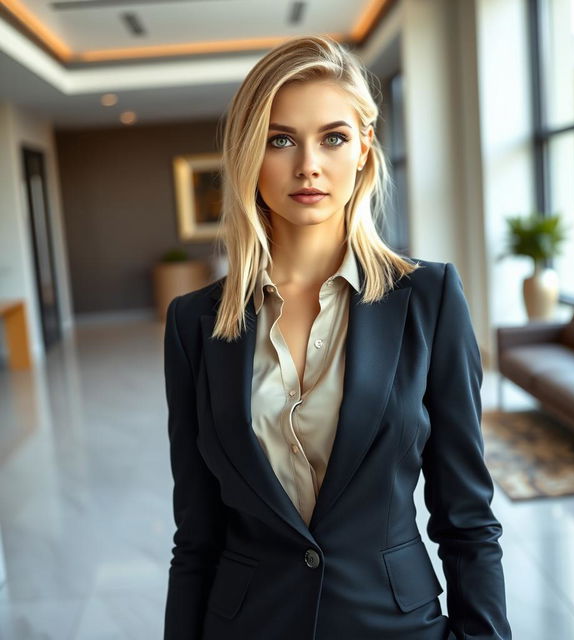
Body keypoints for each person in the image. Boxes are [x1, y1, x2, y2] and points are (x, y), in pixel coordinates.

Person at [163, 35, 511, 640]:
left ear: (364, 148)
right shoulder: (195, 322)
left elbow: (467, 518)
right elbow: (196, 533)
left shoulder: (429, 299)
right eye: (280, 140)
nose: (308, 166)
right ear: (249, 154)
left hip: (395, 625)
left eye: (333, 137)